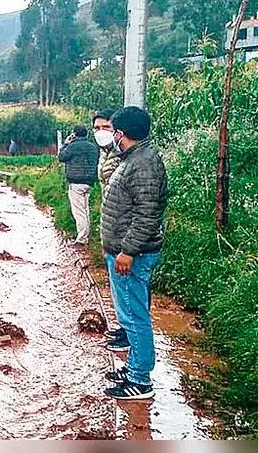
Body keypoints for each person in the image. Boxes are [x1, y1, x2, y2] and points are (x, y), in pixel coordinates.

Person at [100, 106, 168, 401]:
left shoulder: (144, 164)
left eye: (113, 131)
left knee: (134, 317)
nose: (111, 136)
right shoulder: (135, 158)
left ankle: (140, 380)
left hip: (132, 255)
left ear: (121, 134)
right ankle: (133, 369)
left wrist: (127, 252)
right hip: (124, 251)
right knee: (130, 314)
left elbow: (147, 215)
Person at [93, 108, 129, 350]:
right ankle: (124, 328)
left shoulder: (124, 154)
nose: (100, 132)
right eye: (96, 128)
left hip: (124, 226)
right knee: (117, 286)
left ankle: (130, 336)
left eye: (106, 128)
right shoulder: (105, 152)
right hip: (111, 221)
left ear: (117, 131)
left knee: (127, 286)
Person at [57, 125, 99, 245]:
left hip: (76, 182)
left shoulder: (72, 147)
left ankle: (82, 239)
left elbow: (61, 157)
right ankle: (86, 235)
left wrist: (65, 144)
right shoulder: (93, 147)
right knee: (85, 210)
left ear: (74, 134)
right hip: (89, 182)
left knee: (79, 212)